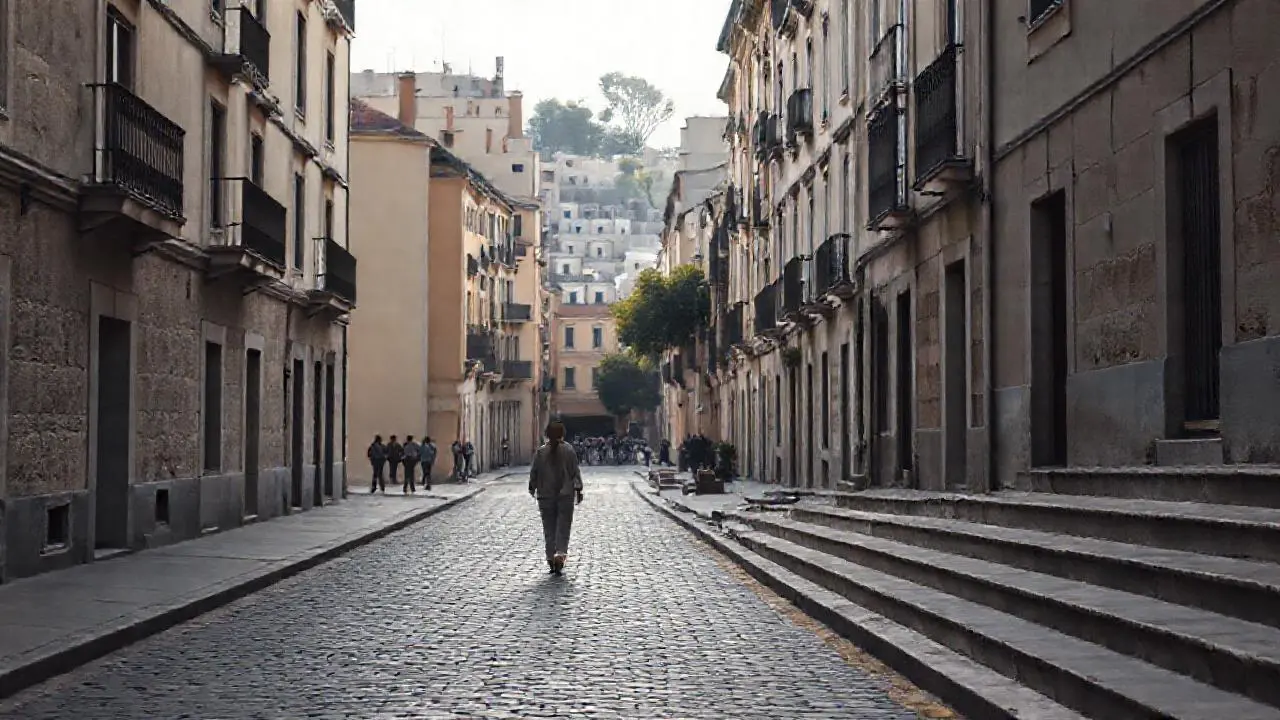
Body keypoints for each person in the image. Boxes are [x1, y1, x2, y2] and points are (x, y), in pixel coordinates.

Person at [529, 421, 583, 575]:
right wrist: (579, 489)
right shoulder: (569, 450)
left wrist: (532, 487)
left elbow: (534, 472)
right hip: (565, 495)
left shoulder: (541, 452)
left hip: (545, 495)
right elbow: (575, 472)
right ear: (562, 433)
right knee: (563, 527)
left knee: (549, 528)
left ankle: (550, 557)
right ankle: (560, 553)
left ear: (547, 434)